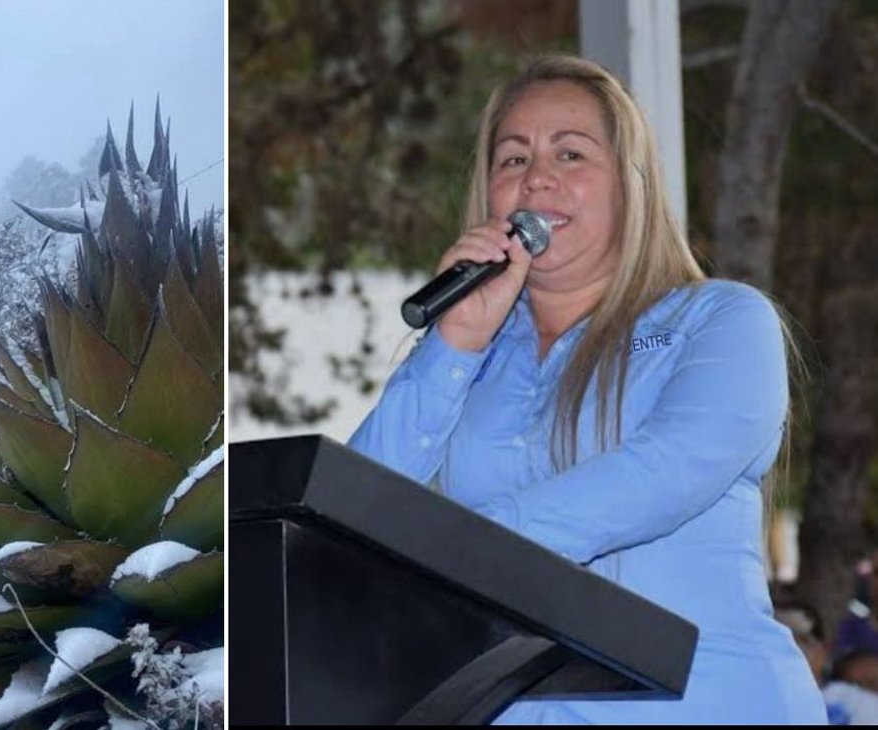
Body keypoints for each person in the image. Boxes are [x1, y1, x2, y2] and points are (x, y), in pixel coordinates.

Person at [349, 54, 825, 723]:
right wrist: (452, 344)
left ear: (632, 186)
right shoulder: (469, 353)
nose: (537, 177)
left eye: (570, 154)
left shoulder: (720, 320)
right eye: (512, 160)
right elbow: (351, 513)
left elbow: (666, 470)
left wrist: (452, 557)